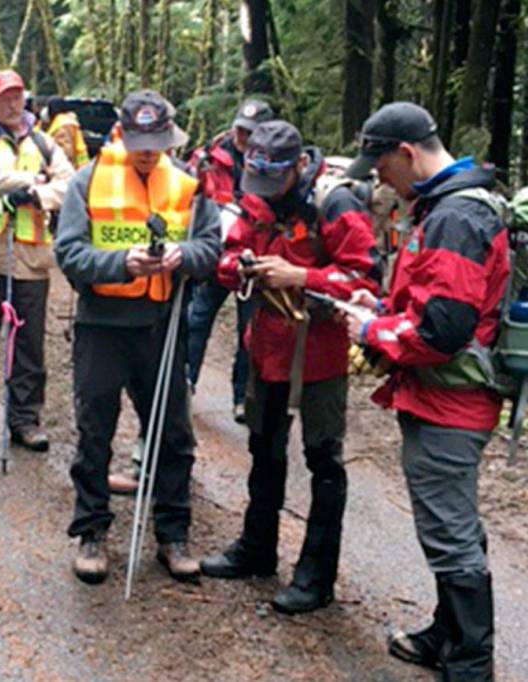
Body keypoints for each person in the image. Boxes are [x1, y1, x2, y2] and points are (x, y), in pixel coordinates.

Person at [343, 102, 509, 682]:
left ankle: (471, 666)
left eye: (382, 168)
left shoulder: (456, 217)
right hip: (441, 395)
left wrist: (370, 331)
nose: (380, 181)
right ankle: (447, 635)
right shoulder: (447, 206)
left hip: (452, 404)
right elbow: (435, 303)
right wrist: (381, 308)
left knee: (450, 532)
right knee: (449, 524)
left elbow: (444, 330)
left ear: (407, 153)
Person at [199, 120, 382, 616]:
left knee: (323, 459)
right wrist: (240, 267)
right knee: (263, 446)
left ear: (298, 165)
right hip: (267, 344)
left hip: (319, 352)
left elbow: (366, 279)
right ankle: (257, 548)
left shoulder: (334, 204)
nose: (264, 190)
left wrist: (301, 275)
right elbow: (228, 251)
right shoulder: (257, 196)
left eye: (273, 180)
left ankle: (316, 577)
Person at [55, 90, 222, 585]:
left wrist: (182, 256)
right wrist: (121, 263)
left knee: (173, 434)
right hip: (102, 325)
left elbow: (211, 248)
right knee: (94, 431)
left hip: (161, 325)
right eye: (139, 142)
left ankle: (173, 534)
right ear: (122, 135)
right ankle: (91, 531)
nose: (148, 152)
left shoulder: (188, 185)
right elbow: (69, 252)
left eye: (157, 142)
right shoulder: (87, 181)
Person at [0, 70, 74, 451]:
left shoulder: (44, 142)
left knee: (30, 346)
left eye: (17, 96)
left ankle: (26, 419)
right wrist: (32, 180)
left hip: (32, 259)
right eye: (4, 97)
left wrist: (37, 196)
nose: (12, 104)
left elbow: (69, 183)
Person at [186, 100, 273, 423]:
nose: (242, 136)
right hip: (215, 253)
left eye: (250, 132)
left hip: (253, 257)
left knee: (250, 330)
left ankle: (241, 398)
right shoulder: (209, 157)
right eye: (240, 129)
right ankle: (186, 385)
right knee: (197, 320)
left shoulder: (274, 163)